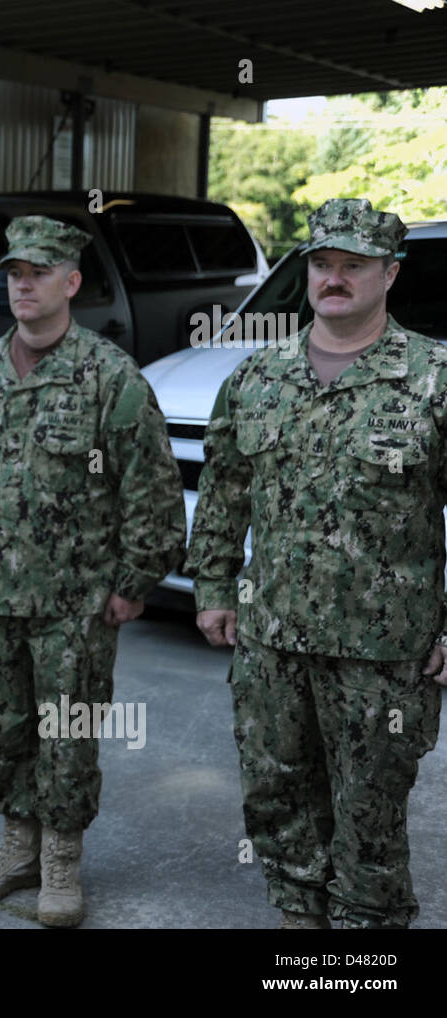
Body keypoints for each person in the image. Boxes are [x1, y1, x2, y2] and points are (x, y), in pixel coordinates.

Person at [187, 197, 447, 930]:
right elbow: (225, 489)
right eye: (322, 264)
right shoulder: (259, 377)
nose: (334, 278)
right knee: (277, 803)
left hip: (383, 655)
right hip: (273, 644)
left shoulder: (433, 379)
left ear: (389, 274)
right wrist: (213, 587)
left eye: (353, 265)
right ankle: (301, 930)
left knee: (369, 822)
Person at [0, 215, 185, 927]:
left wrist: (134, 581)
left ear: (71, 282)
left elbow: (151, 487)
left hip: (74, 600)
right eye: (15, 274)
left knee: (67, 730)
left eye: (39, 273)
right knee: (4, 728)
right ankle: (17, 845)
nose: (24, 286)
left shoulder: (109, 378)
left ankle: (60, 861)